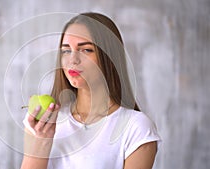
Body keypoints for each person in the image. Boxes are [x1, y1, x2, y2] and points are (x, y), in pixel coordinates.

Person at [21, 12, 161, 169]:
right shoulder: (41, 123)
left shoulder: (136, 128)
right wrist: (41, 144)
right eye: (66, 50)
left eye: (86, 50)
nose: (72, 59)